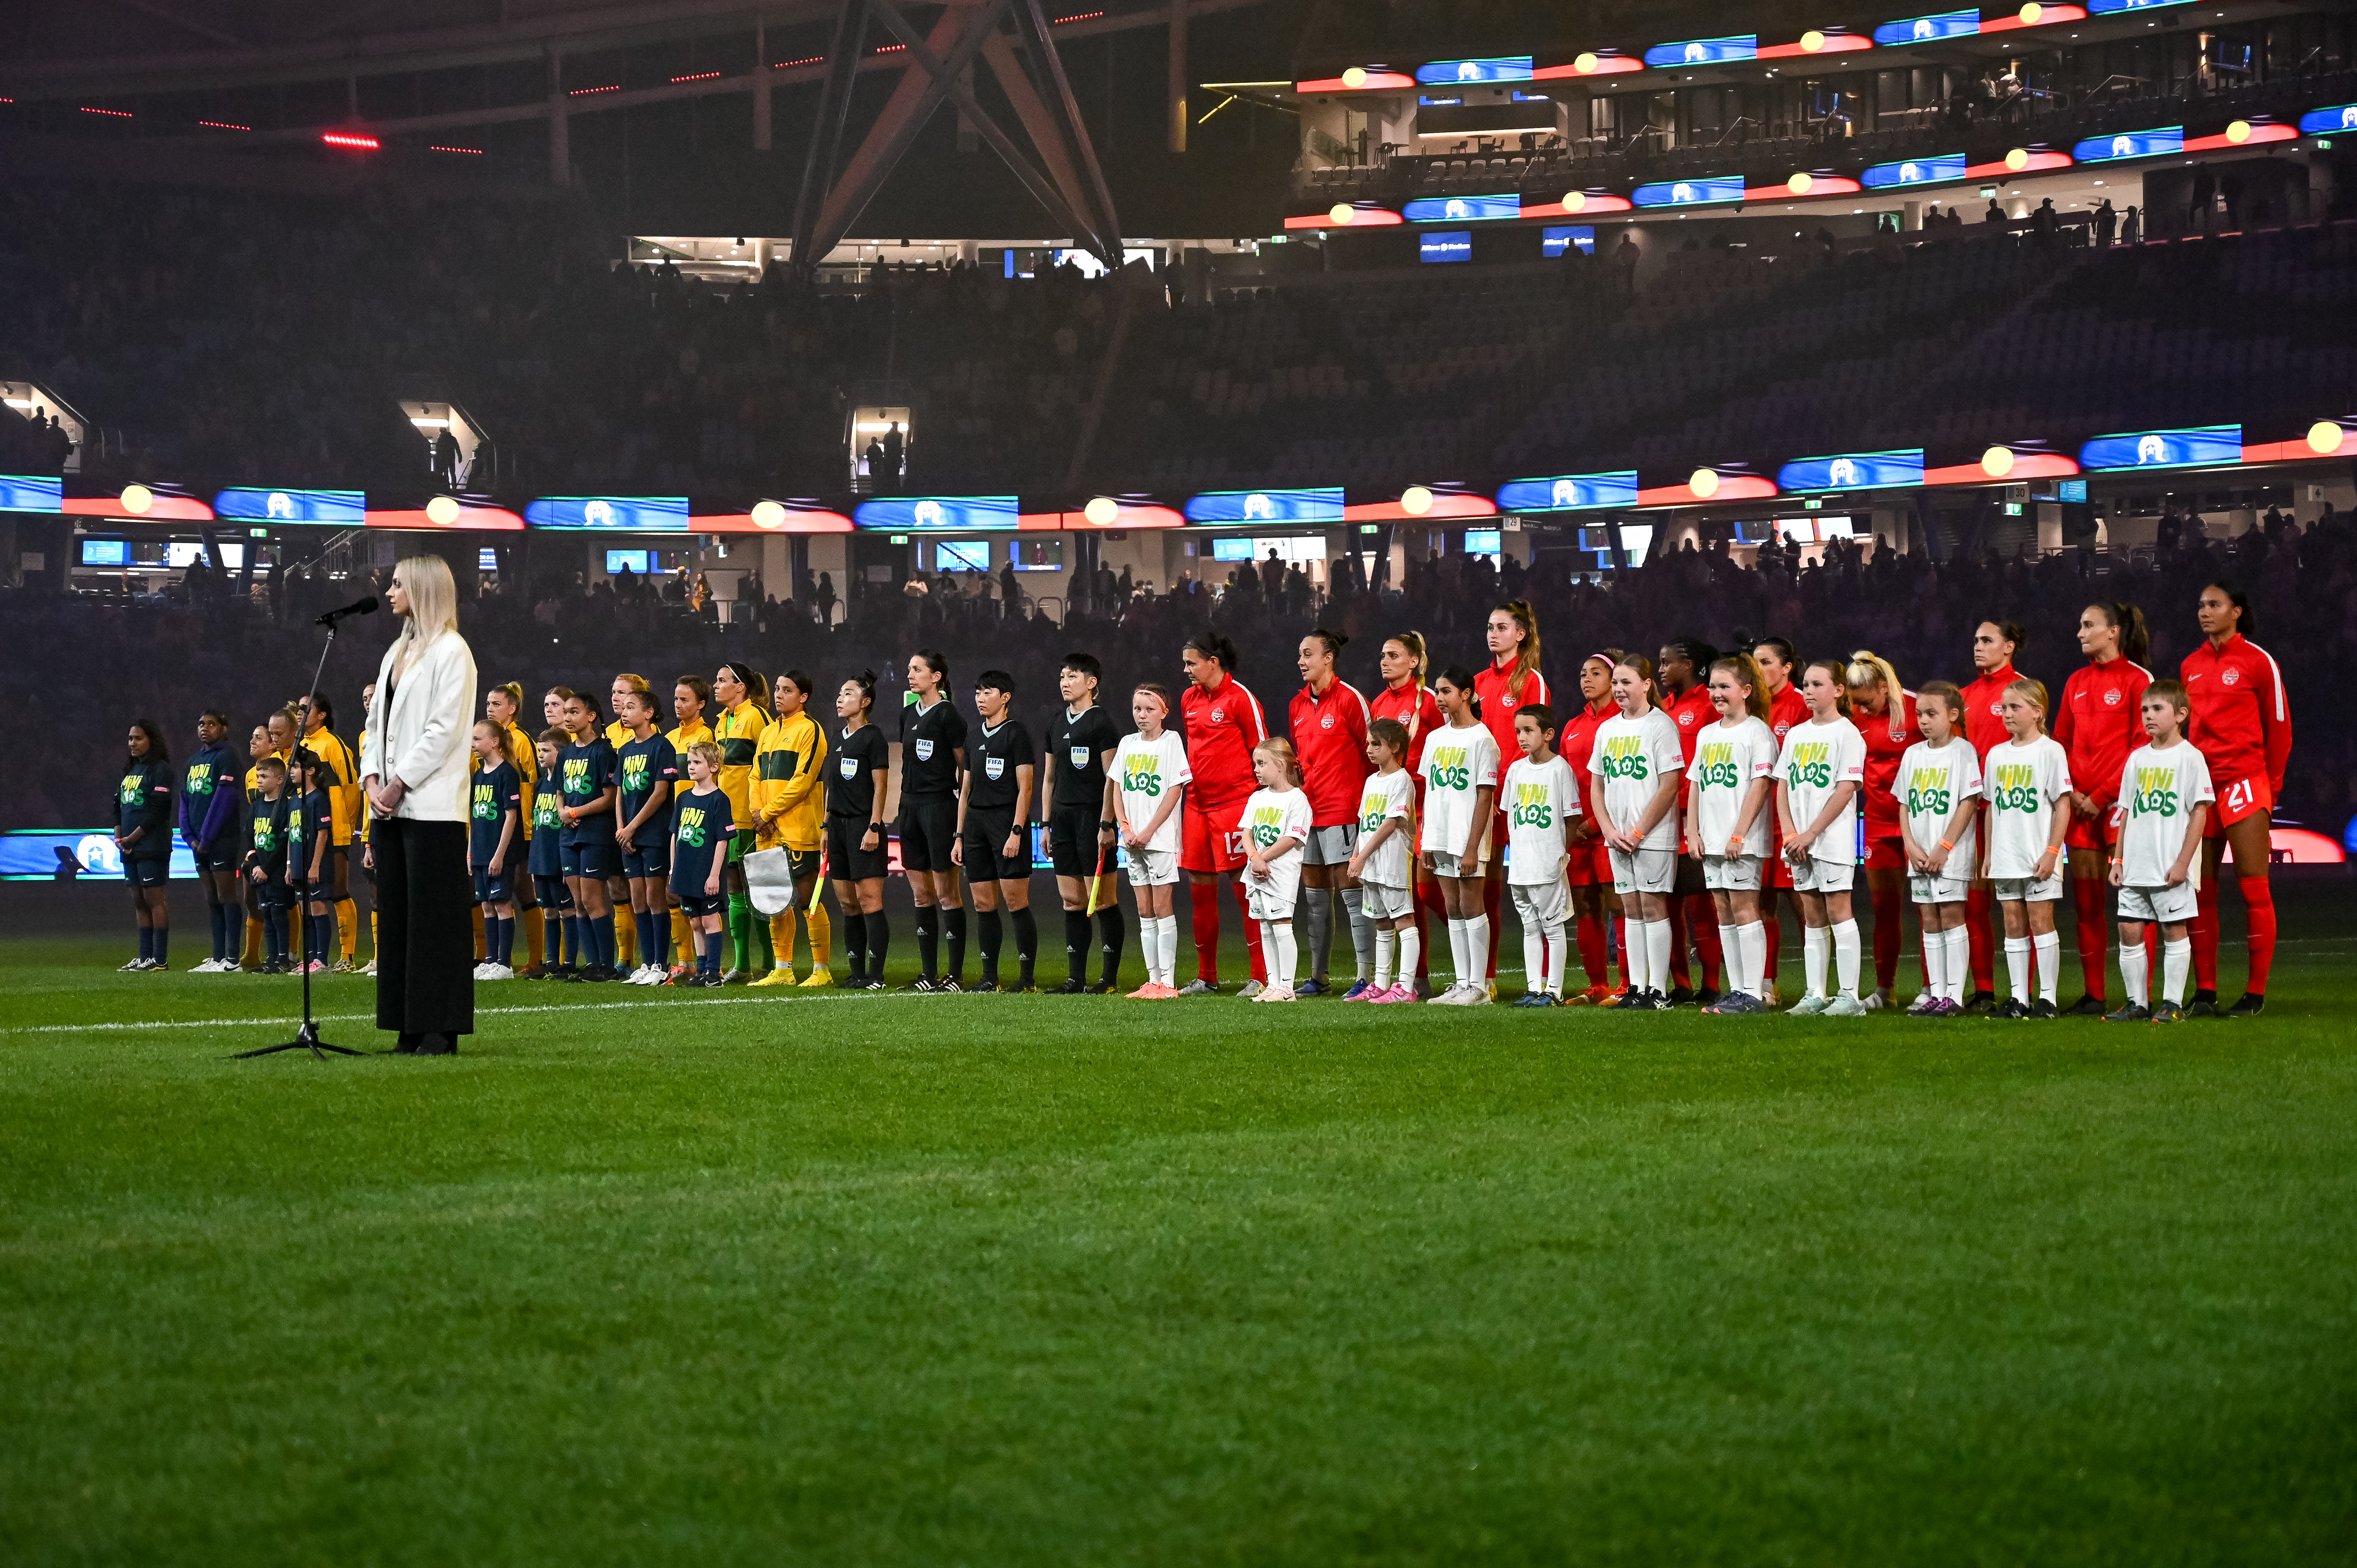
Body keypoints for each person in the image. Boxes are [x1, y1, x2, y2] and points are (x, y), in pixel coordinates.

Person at [2182, 580, 2290, 1016]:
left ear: (2236, 611)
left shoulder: (2257, 661)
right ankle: (2205, 991)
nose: (2204, 612)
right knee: (2200, 893)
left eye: (2214, 604)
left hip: (2244, 782)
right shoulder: (2189, 664)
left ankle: (2254, 994)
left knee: (2253, 888)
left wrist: (2271, 788)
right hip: (2201, 789)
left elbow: (2278, 727)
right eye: (2201, 605)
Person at [2053, 603, 2153, 1014]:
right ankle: (2094, 995)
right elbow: (2059, 740)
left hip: (2118, 808)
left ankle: (2138, 998)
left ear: (2112, 632)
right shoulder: (2075, 680)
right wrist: (2073, 791)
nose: (2079, 632)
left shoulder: (2137, 680)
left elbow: (2140, 746)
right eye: (2080, 625)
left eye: (2087, 625)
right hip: (2080, 808)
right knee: (2087, 905)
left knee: (2131, 905)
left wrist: (2102, 795)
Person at [2108, 681, 2213, 1023]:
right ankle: (2136, 1004)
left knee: (2172, 930)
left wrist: (2183, 862)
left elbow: (2199, 812)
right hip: (2135, 864)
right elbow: (2127, 811)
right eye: (2144, 710)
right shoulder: (2137, 758)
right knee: (2128, 930)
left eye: (2157, 709)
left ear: (2181, 714)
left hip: (2168, 864)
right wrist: (2118, 860)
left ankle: (2172, 1004)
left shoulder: (2190, 758)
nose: (2148, 716)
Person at [1774, 659, 1869, 1016]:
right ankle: (1815, 994)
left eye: (1816, 684)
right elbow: (1782, 785)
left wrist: (1811, 833)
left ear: (1838, 690)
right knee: (1812, 914)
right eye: (1806, 685)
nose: (1808, 691)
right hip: (1798, 842)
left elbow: (1845, 789)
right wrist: (1790, 832)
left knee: (1838, 910)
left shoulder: (1846, 733)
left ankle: (1849, 997)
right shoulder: (1797, 734)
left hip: (1831, 840)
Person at [1589, 654, 1684, 1010]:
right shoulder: (1607, 729)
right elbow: (1597, 787)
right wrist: (1610, 831)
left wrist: (1638, 831)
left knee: (1652, 905)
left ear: (1646, 685)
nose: (1618, 690)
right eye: (1615, 683)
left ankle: (1658, 991)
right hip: (1618, 838)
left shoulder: (1660, 726)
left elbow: (1670, 784)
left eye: (1626, 682)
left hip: (1653, 835)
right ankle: (1637, 988)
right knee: (1631, 908)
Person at [1177, 633, 1270, 994]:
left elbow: (1261, 752)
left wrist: (1261, 807)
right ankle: (1207, 977)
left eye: (1191, 663)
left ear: (1212, 662)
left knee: (1245, 892)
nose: (1186, 670)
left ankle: (1260, 977)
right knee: (1200, 893)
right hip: (1196, 807)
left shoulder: (1240, 698)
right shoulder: (1189, 699)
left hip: (1235, 807)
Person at [1688, 655, 1779, 1014]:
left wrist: (1739, 834)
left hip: (1741, 839)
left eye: (1724, 686)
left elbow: (1760, 785)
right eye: (1712, 686)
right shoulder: (1707, 733)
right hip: (1711, 838)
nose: (1717, 693)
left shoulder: (1757, 731)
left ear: (1745, 690)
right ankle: (1736, 991)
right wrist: (1692, 831)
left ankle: (1753, 993)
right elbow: (1695, 783)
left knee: (1744, 910)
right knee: (1723, 912)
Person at [1290, 629, 1373, 996]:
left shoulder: (1350, 700)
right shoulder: (1297, 705)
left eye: (1308, 654)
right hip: (1310, 815)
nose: (1301, 661)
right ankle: (1318, 978)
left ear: (1328, 658)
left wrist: (1366, 809)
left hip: (1343, 812)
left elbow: (1374, 756)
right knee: (1316, 901)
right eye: (1299, 654)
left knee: (1353, 896)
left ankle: (1366, 977)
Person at [1984, 678, 2073, 1019]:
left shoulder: (2050, 751)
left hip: (2038, 853)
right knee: (2011, 922)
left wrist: (2052, 851)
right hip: (2006, 852)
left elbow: (2061, 805)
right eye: (2004, 707)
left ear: (2037, 712)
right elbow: (1992, 806)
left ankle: (2047, 998)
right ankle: (2019, 997)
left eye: (2015, 707)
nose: (2006, 714)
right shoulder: (1996, 754)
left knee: (2040, 920)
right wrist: (1990, 853)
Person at [1894, 682, 1983, 1016]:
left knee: (1950, 917)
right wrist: (1909, 845)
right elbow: (1903, 803)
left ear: (1953, 715)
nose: (1923, 721)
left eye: (1931, 714)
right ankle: (1936, 993)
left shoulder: (1962, 752)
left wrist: (1944, 847)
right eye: (1919, 714)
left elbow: (1968, 802)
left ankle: (1955, 997)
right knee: (1928, 920)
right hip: (1919, 854)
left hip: (1949, 854)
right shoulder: (1912, 754)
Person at [1474, 602, 1547, 994]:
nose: (1493, 634)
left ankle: (1546, 982)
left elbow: (1534, 742)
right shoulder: (1478, 682)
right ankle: (1486, 978)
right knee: (1485, 888)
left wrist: (1513, 786)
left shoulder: (1530, 681)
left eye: (1501, 627)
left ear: (1520, 634)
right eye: (1489, 626)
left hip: (1518, 799)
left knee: (1534, 889)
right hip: (1484, 798)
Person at [1958, 621, 2030, 1012]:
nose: (1978, 646)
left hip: (2011, 813)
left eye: (1987, 640)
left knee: (2018, 907)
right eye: (1975, 640)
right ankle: (1984, 990)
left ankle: (2025, 992)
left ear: (2009, 647)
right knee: (1974, 905)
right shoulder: (1964, 696)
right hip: (1974, 814)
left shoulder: (2021, 690)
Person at [1368, 632, 1444, 997]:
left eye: (1393, 655)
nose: (1384, 661)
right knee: (1406, 896)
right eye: (1383, 655)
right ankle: (1417, 978)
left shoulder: (1428, 701)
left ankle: (1472, 964)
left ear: (1413, 662)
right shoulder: (1378, 702)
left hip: (1424, 805)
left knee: (1425, 892)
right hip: (1391, 810)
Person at [954, 669, 1039, 992]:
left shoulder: (1016, 734)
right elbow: (965, 791)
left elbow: (1025, 788)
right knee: (982, 904)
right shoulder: (973, 737)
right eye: (977, 692)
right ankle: (990, 978)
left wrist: (1017, 832)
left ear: (1005, 698)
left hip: (1005, 824)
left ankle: (1027, 979)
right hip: (975, 826)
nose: (980, 698)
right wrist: (959, 835)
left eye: (987, 692)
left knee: (1016, 902)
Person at [1420, 667, 1500, 1004]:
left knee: (1471, 906)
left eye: (1446, 691)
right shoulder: (1434, 738)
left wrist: (1472, 848)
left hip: (1466, 837)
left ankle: (1479, 987)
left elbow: (1485, 796)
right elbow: (1429, 791)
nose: (1439, 698)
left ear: (1466, 694)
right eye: (1437, 692)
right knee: (1452, 907)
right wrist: (1425, 840)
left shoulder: (1482, 739)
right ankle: (1462, 982)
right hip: (1439, 835)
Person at [1043, 653, 1123, 993]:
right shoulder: (1055, 724)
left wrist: (1108, 823)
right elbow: (1049, 778)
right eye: (1062, 676)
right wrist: (1046, 823)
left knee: (1102, 900)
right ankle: (1075, 978)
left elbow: (1112, 777)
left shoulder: (1101, 722)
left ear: (1091, 683)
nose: (1064, 682)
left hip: (1093, 819)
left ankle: (1107, 979)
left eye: (1072, 676)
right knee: (1072, 901)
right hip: (1062, 820)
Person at [1844, 651, 1918, 1010]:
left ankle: (1937, 990)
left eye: (1867, 701)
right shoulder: (1854, 716)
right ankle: (1885, 991)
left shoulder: (1919, 709)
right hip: (1876, 823)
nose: (1864, 710)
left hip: (1920, 824)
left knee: (1930, 909)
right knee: (1884, 910)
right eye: (1856, 704)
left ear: (1883, 688)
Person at [1109, 683, 1191, 998]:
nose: (1142, 716)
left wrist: (1148, 831)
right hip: (1132, 841)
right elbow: (1116, 787)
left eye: (1148, 710)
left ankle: (1168, 983)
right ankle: (1152, 980)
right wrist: (1126, 828)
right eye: (1137, 709)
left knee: (1161, 907)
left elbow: (1174, 790)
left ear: (1163, 712)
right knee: (1144, 910)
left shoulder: (1171, 741)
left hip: (1158, 840)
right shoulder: (1127, 743)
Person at [750, 671, 829, 987]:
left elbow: (803, 779)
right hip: (767, 830)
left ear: (804, 697)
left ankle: (821, 970)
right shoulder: (769, 732)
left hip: (798, 828)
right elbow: (754, 776)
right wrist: (757, 814)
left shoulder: (811, 730)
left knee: (808, 899)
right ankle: (782, 970)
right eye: (778, 689)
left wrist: (766, 812)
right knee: (774, 901)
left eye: (787, 690)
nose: (779, 695)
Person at [896, 649, 969, 991]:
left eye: (917, 669)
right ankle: (927, 975)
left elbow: (962, 768)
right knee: (920, 896)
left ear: (936, 676)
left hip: (939, 807)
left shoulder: (950, 716)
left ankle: (953, 974)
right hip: (909, 809)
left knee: (947, 895)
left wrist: (959, 819)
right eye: (909, 669)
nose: (910, 675)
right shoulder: (908, 714)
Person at [1657, 635, 1722, 1004]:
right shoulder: (1662, 707)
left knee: (1700, 907)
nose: (1662, 669)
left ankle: (1711, 984)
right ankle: (1681, 985)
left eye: (1668, 663)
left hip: (1693, 819)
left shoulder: (1708, 705)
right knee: (1668, 907)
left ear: (1689, 664)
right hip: (1662, 820)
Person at [1501, 705, 1579, 1007]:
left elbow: (1571, 817)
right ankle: (1534, 988)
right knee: (1530, 926)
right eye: (1518, 731)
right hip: (1521, 864)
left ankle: (1554, 991)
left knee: (1552, 926)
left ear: (1548, 734)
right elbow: (1510, 815)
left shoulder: (1559, 770)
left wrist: (1559, 853)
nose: (1522, 737)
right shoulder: (1516, 770)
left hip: (1547, 862)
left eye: (1528, 730)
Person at [1559, 651, 1624, 1003]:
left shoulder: (1623, 724)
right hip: (1579, 833)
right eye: (1583, 673)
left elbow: (1622, 784)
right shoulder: (1573, 726)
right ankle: (1598, 985)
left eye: (1595, 673)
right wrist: (1572, 827)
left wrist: (1596, 823)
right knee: (1585, 908)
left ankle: (1627, 985)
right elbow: (1565, 781)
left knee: (1619, 906)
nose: (1586, 679)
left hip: (1610, 830)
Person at [1751, 637, 1811, 1002]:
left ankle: (1815, 987)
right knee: (1760, 908)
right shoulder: (1751, 707)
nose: (1758, 670)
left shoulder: (1800, 707)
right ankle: (1765, 985)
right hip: (1756, 822)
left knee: (1805, 906)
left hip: (1790, 824)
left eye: (1765, 662)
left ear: (1787, 667)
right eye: (1754, 663)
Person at [825, 672, 893, 990]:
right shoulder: (838, 738)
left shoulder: (873, 737)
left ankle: (875, 976)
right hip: (837, 827)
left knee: (869, 902)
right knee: (847, 904)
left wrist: (874, 826)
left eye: (849, 694)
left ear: (865, 702)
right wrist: (826, 824)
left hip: (863, 827)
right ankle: (855, 973)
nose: (841, 699)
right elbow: (832, 786)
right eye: (840, 693)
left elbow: (881, 787)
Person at [1346, 718, 1420, 1004]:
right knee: (1381, 922)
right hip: (1371, 864)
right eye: (1368, 743)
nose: (1369, 749)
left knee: (1403, 919)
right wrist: (1356, 855)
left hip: (1391, 861)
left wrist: (1361, 857)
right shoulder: (1370, 781)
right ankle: (1380, 983)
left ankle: (1406, 986)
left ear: (1395, 747)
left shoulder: (1401, 780)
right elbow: (1365, 824)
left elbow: (1390, 823)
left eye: (1376, 744)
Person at [1238, 739, 1313, 1002]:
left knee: (1282, 927)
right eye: (1255, 764)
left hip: (1280, 875)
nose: (1256, 769)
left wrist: (1262, 859)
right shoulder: (1257, 797)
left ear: (1281, 765)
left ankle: (1286, 988)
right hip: (1257, 873)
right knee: (1265, 928)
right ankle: (1272, 984)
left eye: (1262, 763)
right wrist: (1254, 857)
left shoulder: (1297, 799)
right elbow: (1247, 832)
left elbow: (1292, 838)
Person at [614, 687, 679, 985]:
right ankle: (646, 962)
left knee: (656, 899)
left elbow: (660, 792)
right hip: (629, 835)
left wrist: (633, 827)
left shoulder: (661, 746)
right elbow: (619, 792)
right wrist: (621, 828)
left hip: (652, 833)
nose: (624, 712)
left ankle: (660, 964)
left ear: (649, 713)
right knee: (637, 899)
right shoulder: (625, 750)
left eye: (631, 707)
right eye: (623, 707)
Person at [710, 663, 770, 983]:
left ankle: (772, 961)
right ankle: (742, 965)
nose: (715, 686)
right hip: (727, 819)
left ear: (740, 687)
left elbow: (768, 764)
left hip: (751, 818)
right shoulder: (721, 722)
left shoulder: (757, 717)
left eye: (722, 681)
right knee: (734, 888)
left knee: (758, 889)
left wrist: (765, 811)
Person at [296, 691, 363, 971]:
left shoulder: (333, 744)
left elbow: (350, 787)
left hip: (334, 830)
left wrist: (343, 826)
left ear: (322, 714)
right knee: (311, 896)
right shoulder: (302, 745)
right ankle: (313, 957)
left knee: (337, 891)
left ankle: (346, 957)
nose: (299, 712)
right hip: (311, 833)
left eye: (305, 708)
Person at [556, 690, 620, 982]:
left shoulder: (603, 752)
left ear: (591, 716)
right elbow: (560, 792)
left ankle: (607, 964)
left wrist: (576, 812)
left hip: (595, 833)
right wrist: (562, 812)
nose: (567, 718)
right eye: (566, 712)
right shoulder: (566, 753)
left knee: (593, 900)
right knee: (578, 902)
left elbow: (609, 797)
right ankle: (591, 963)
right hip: (568, 835)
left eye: (574, 712)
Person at [484, 683, 546, 977]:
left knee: (518, 894)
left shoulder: (520, 740)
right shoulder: (487, 738)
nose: (490, 708)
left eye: (497, 704)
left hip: (519, 828)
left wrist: (528, 826)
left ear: (513, 709)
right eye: (488, 703)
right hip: (491, 828)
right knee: (497, 895)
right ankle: (489, 958)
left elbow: (529, 785)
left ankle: (534, 958)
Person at [182, 709, 244, 972]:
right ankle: (218, 956)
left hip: (222, 839)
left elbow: (225, 799)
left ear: (224, 728)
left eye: (211, 724)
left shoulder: (228, 756)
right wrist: (189, 837)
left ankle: (232, 958)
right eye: (201, 724)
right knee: (211, 898)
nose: (205, 728)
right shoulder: (193, 761)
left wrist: (206, 837)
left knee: (226, 894)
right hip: (199, 843)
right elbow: (185, 801)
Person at [668, 741, 731, 986]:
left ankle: (714, 972)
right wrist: (674, 867)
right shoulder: (683, 798)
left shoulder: (719, 800)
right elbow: (675, 835)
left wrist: (715, 875)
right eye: (690, 762)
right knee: (695, 921)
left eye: (697, 763)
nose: (690, 767)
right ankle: (702, 969)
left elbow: (722, 840)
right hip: (685, 870)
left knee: (709, 919)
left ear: (714, 767)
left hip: (706, 871)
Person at [663, 677, 715, 974]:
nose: (678, 705)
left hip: (699, 827)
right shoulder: (670, 738)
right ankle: (685, 961)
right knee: (675, 893)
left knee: (703, 900)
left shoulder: (708, 736)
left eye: (685, 700)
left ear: (701, 704)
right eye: (676, 699)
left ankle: (710, 964)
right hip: (676, 823)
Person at [115, 717, 174, 971]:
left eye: (138, 738)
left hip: (152, 845)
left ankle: (159, 959)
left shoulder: (160, 770)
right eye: (130, 738)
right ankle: (144, 956)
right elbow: (117, 807)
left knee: (155, 900)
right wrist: (120, 837)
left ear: (152, 740)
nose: (133, 743)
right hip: (130, 847)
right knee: (139, 901)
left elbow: (159, 811)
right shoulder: (129, 771)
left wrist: (133, 837)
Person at [467, 719, 523, 980]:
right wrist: (470, 851)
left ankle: (504, 964)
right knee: (486, 906)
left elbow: (511, 816)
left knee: (501, 904)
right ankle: (490, 960)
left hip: (498, 853)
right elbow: (473, 817)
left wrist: (499, 854)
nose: (473, 744)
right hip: (479, 852)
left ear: (495, 742)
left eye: (478, 739)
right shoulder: (478, 775)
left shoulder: (507, 774)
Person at [527, 729, 576, 978]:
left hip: (560, 857)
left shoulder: (567, 785)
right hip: (541, 856)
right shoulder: (539, 785)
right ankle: (551, 961)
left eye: (547, 750)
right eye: (539, 751)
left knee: (567, 909)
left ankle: (569, 963)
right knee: (548, 910)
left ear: (562, 752)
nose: (541, 756)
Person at [244, 756, 293, 973]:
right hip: (259, 871)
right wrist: (255, 865)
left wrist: (266, 869)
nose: (259, 781)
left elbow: (285, 843)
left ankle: (284, 958)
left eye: (264, 776)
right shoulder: (255, 808)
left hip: (277, 872)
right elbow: (248, 838)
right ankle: (271, 958)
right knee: (267, 915)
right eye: (258, 776)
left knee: (279, 914)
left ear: (280, 780)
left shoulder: (286, 806)